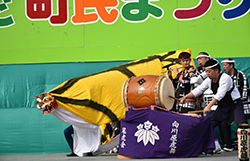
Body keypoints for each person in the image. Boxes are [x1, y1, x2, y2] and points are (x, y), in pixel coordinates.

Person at [179, 59, 245, 151]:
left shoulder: (225, 78)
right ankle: (203, 147)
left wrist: (209, 106)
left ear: (216, 70)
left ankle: (246, 148)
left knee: (241, 126)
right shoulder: (209, 80)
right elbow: (198, 90)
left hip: (235, 105)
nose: (207, 74)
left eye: (209, 71)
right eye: (206, 71)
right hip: (223, 107)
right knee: (208, 124)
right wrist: (185, 97)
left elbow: (220, 94)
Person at [189, 52, 222, 153]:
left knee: (212, 121)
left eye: (201, 58)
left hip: (213, 98)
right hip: (205, 99)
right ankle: (212, 144)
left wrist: (191, 74)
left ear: (207, 59)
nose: (199, 61)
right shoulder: (202, 71)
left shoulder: (209, 70)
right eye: (198, 59)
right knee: (209, 120)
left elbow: (194, 80)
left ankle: (217, 144)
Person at [221, 58, 250, 152]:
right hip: (230, 105)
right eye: (223, 65)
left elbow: (245, 89)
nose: (224, 67)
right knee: (225, 123)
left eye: (225, 65)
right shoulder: (225, 77)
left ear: (231, 65)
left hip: (242, 104)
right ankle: (228, 145)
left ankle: (245, 144)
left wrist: (239, 101)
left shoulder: (241, 75)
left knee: (242, 123)